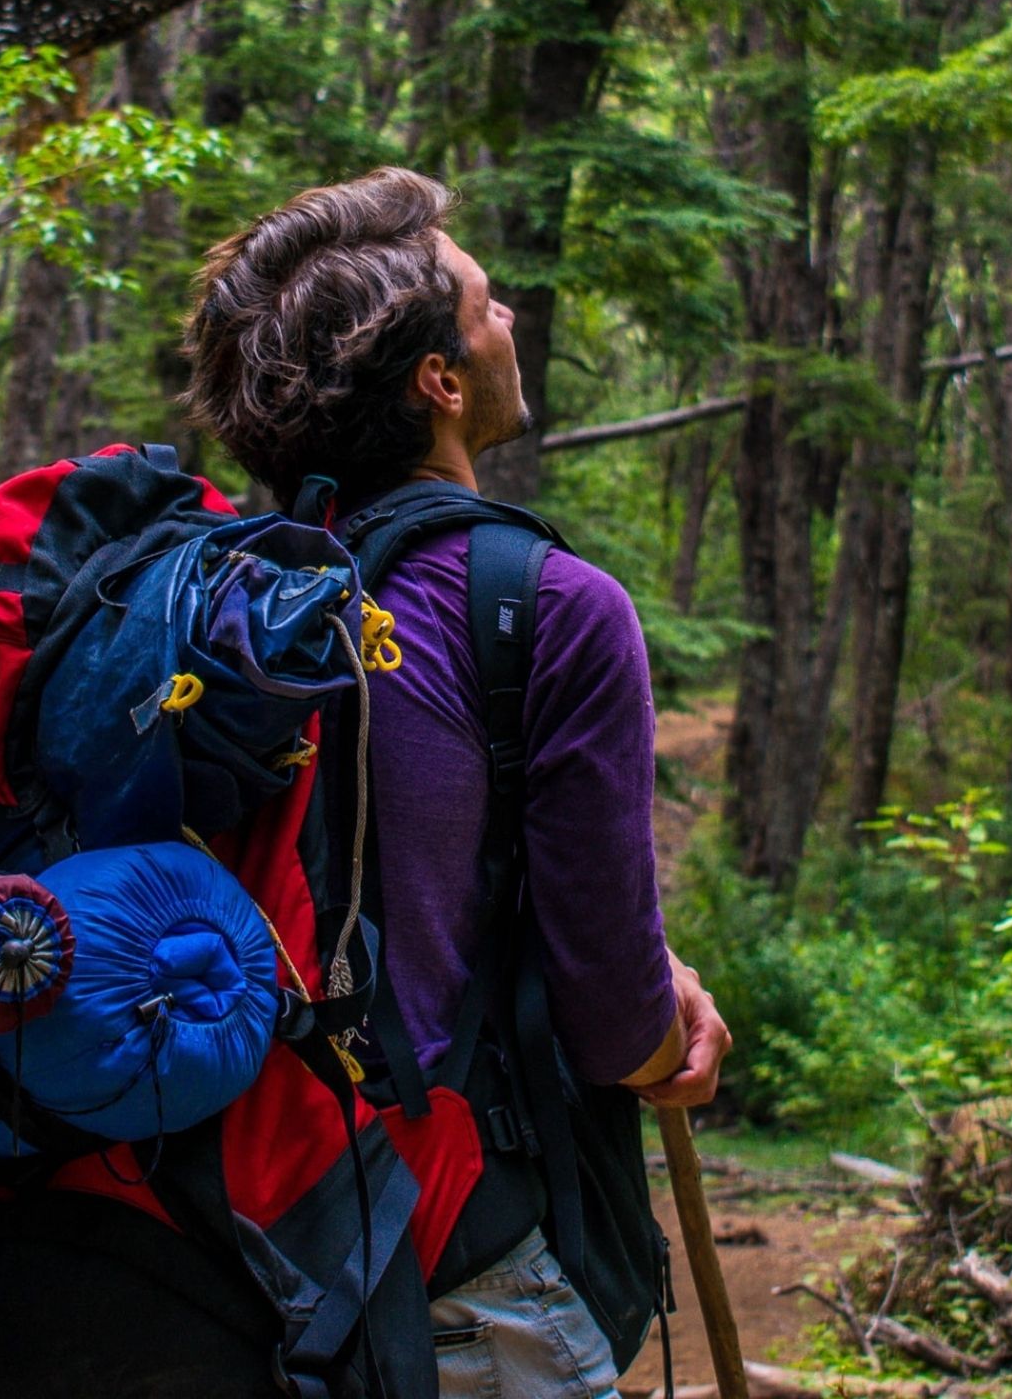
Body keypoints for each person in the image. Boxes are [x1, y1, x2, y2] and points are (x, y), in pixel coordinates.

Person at [180, 167, 732, 1396]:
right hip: (447, 1253)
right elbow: (610, 1013)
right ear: (440, 380)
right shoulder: (548, 608)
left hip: (222, 1244)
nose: (509, 321)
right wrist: (671, 1019)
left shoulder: (219, 600)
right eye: (485, 306)